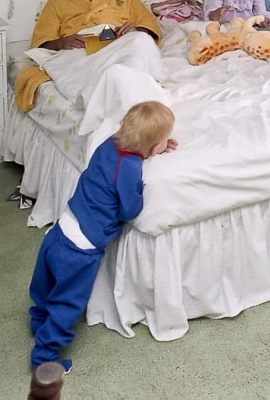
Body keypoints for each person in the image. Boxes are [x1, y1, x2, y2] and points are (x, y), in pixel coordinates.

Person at [29, 101, 177, 373]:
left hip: (62, 228)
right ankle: (44, 359)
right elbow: (129, 208)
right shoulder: (130, 167)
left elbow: (129, 149)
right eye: (162, 142)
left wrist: (154, 145)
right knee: (68, 303)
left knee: (45, 283)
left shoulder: (108, 145)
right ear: (152, 147)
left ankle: (38, 319)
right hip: (82, 249)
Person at [14, 0, 162, 112]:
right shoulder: (57, 3)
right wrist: (62, 43)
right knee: (113, 68)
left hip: (119, 45)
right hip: (81, 52)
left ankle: (132, 89)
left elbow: (151, 28)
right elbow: (40, 45)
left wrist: (136, 30)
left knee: (140, 40)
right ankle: (112, 94)